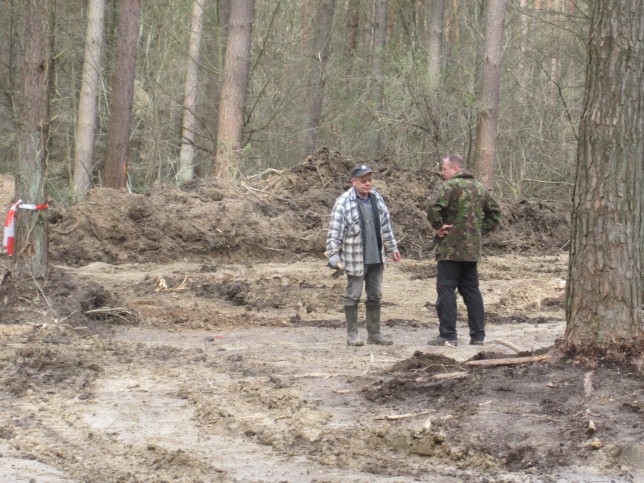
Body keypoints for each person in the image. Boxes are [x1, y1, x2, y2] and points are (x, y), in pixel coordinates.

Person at [425, 154, 501, 346]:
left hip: (450, 248)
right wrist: (478, 231)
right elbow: (495, 214)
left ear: (455, 168)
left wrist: (438, 226)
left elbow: (432, 207)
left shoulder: (449, 187)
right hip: (471, 250)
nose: (442, 173)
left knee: (446, 289)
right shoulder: (480, 188)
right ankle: (478, 336)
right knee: (471, 291)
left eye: (444, 169)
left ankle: (448, 335)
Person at [326, 164, 401, 346]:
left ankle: (374, 334)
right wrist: (333, 254)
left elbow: (385, 227)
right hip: (354, 258)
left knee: (375, 295)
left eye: (369, 180)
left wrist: (393, 248)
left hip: (377, 257)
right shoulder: (343, 202)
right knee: (353, 295)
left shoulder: (377, 199)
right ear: (354, 182)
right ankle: (352, 336)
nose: (368, 184)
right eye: (363, 181)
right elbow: (334, 231)